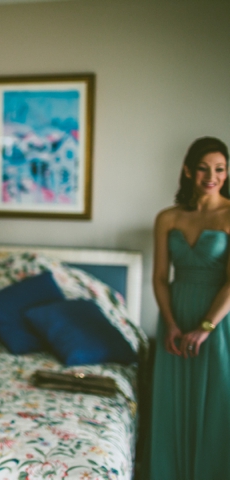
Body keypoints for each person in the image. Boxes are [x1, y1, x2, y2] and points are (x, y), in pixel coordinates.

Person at [149, 136, 230, 479]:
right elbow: (159, 278)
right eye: (203, 168)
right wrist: (170, 324)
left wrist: (206, 327)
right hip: (175, 318)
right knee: (172, 406)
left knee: (217, 405)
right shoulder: (168, 218)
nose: (211, 176)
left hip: (218, 321)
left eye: (220, 169)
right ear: (187, 170)